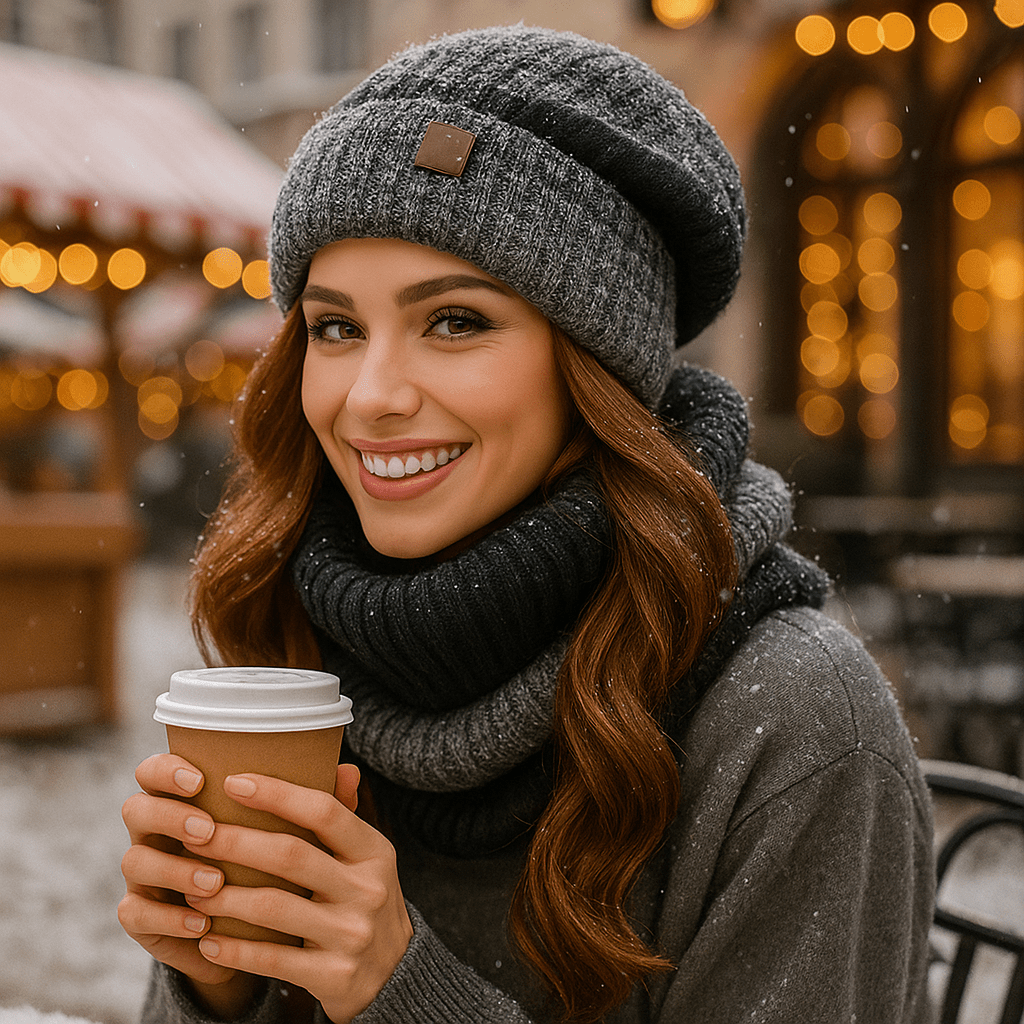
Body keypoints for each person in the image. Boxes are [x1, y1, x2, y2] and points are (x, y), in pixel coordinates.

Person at [119, 24, 936, 1024]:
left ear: (597, 370)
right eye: (336, 327)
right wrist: (219, 987)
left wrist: (396, 990)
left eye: (455, 320)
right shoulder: (297, 644)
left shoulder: (795, 723)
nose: (369, 396)